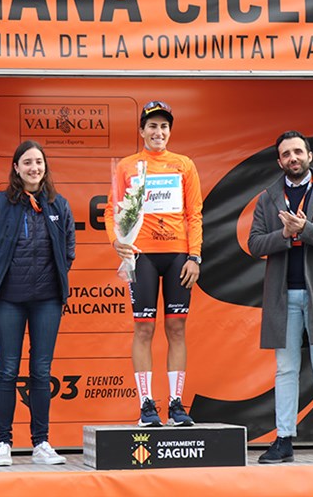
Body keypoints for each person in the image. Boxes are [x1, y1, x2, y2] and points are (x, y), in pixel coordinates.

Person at [248, 130, 313, 465]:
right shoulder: (268, 198)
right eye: (286, 154)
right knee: (285, 370)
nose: (292, 158)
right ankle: (283, 439)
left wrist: (305, 229)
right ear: (279, 161)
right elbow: (254, 244)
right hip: (283, 295)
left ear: (309, 155)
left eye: (297, 151)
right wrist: (284, 233)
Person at [105, 100, 203, 428]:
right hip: (141, 255)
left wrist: (194, 256)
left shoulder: (184, 165)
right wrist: (116, 240)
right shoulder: (127, 166)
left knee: (176, 327)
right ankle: (146, 405)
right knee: (144, 328)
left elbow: (194, 213)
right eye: (152, 126)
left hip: (178, 255)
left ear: (169, 131)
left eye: (163, 126)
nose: (158, 132)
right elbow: (111, 210)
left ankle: (176, 404)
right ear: (142, 131)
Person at [0, 140, 76, 467]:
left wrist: (51, 280)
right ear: (16, 168)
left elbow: (69, 251)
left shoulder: (59, 205)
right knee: (8, 370)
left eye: (39, 162)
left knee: (41, 371)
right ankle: (3, 443)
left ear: (45, 167)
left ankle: (41, 444)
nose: (34, 168)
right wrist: (1, 281)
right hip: (9, 300)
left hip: (47, 300)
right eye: (28, 162)